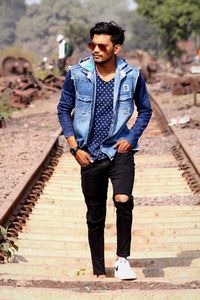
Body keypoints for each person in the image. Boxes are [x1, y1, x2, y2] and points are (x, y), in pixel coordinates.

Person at [57, 21, 152, 280]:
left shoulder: (132, 75)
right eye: (93, 44)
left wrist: (131, 138)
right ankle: (99, 269)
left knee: (123, 200)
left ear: (116, 48)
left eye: (102, 45)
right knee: (95, 213)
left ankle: (122, 260)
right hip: (88, 154)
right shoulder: (77, 74)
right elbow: (63, 110)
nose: (96, 50)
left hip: (119, 152)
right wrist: (74, 148)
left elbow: (146, 110)